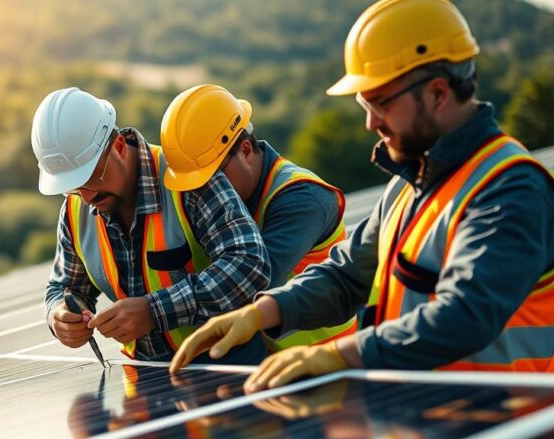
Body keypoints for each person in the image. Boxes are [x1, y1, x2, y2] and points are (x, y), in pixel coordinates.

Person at [170, 0, 554, 388]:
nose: (370, 122)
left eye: (379, 103)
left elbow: (467, 313)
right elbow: (347, 276)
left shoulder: (510, 189)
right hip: (436, 420)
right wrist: (263, 311)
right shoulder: (407, 186)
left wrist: (342, 354)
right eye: (364, 104)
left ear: (438, 93)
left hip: (511, 427)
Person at [33, 87, 270, 363]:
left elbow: (250, 263)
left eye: (90, 178)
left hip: (232, 368)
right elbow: (64, 287)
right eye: (72, 187)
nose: (86, 197)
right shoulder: (76, 209)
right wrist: (59, 314)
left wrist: (153, 311)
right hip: (146, 379)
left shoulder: (187, 179)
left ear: (119, 146)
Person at [160, 84, 357, 351]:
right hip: (264, 369)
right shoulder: (222, 204)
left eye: (214, 176)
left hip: (326, 366)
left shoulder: (302, 199)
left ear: (244, 149)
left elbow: (247, 285)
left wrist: (154, 310)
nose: (206, 191)